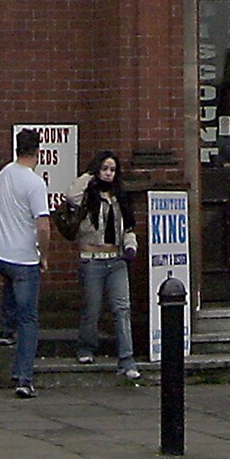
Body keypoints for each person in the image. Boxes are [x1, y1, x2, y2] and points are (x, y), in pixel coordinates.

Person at [0, 127, 52, 396]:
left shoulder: (4, 174)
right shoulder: (35, 184)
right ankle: (24, 378)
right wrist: (43, 255)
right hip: (23, 257)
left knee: (9, 282)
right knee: (29, 319)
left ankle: (5, 330)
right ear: (38, 152)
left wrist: (3, 227)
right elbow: (43, 226)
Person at [73, 150, 141, 378]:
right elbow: (70, 196)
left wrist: (130, 248)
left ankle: (127, 360)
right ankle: (86, 348)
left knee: (122, 309)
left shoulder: (120, 197)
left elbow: (128, 228)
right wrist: (89, 175)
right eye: (104, 169)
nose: (108, 174)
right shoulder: (87, 196)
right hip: (92, 259)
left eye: (112, 170)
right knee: (92, 308)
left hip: (116, 259)